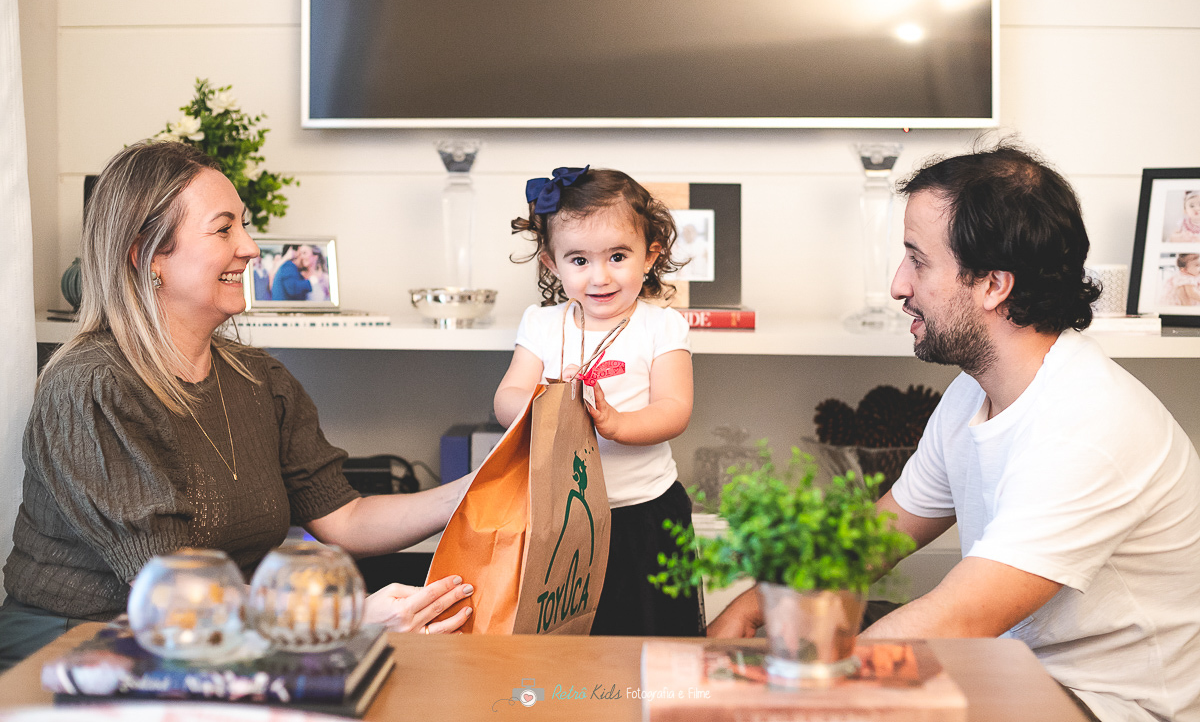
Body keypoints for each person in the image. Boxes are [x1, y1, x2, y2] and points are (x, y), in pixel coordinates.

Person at [708, 143, 1200, 722]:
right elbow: (881, 535)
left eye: (917, 260)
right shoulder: (975, 392)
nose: (897, 285)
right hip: (1017, 674)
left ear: (993, 284)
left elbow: (960, 619)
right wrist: (761, 603)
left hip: (1107, 706)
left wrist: (781, 686)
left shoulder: (1085, 425)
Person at [0, 140, 476, 671]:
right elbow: (176, 593)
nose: (251, 248)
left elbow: (345, 517)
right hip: (78, 647)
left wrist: (481, 486)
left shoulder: (259, 378)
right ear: (147, 254)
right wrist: (346, 621)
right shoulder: (91, 388)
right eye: (224, 228)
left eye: (243, 226)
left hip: (220, 640)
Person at [493, 166, 702, 636]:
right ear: (551, 264)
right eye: (580, 260)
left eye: (618, 256)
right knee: (569, 640)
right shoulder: (542, 325)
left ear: (651, 256)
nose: (600, 276)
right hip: (558, 513)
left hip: (643, 513)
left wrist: (614, 423)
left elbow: (674, 409)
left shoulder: (661, 327)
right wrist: (545, 399)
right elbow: (507, 397)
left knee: (648, 636)